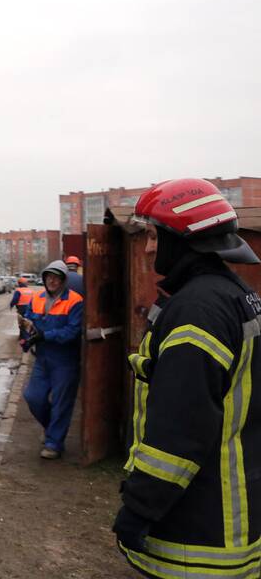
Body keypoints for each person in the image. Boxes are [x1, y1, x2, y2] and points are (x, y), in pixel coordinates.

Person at [112, 178, 261, 578]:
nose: (147, 248)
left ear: (182, 238)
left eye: (154, 237)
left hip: (197, 532)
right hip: (231, 507)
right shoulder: (232, 295)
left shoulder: (198, 309)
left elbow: (180, 430)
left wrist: (139, 508)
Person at [19, 260, 84, 459]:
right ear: (44, 278)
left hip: (65, 359)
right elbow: (29, 320)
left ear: (63, 280)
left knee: (61, 402)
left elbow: (73, 331)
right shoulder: (37, 298)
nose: (52, 281)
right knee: (33, 397)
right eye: (49, 277)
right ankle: (52, 430)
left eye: (56, 277)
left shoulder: (75, 301)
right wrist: (27, 336)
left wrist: (46, 336)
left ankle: (54, 444)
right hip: (43, 358)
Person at [9, 277, 37, 351]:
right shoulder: (31, 290)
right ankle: (26, 336)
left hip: (22, 309)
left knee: (22, 323)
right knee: (29, 323)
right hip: (31, 308)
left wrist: (11, 305)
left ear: (19, 283)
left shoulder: (18, 290)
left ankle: (25, 339)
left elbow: (15, 299)